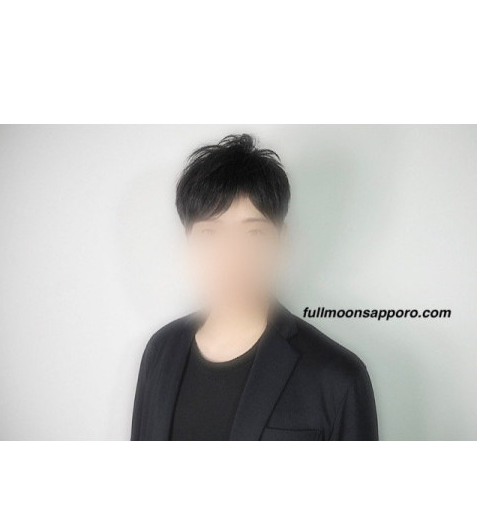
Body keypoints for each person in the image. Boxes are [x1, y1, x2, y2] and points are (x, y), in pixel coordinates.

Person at [131, 134, 378, 441]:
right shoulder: (160, 352)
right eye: (210, 233)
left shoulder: (338, 378)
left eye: (254, 233)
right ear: (189, 242)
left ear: (281, 239)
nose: (234, 257)